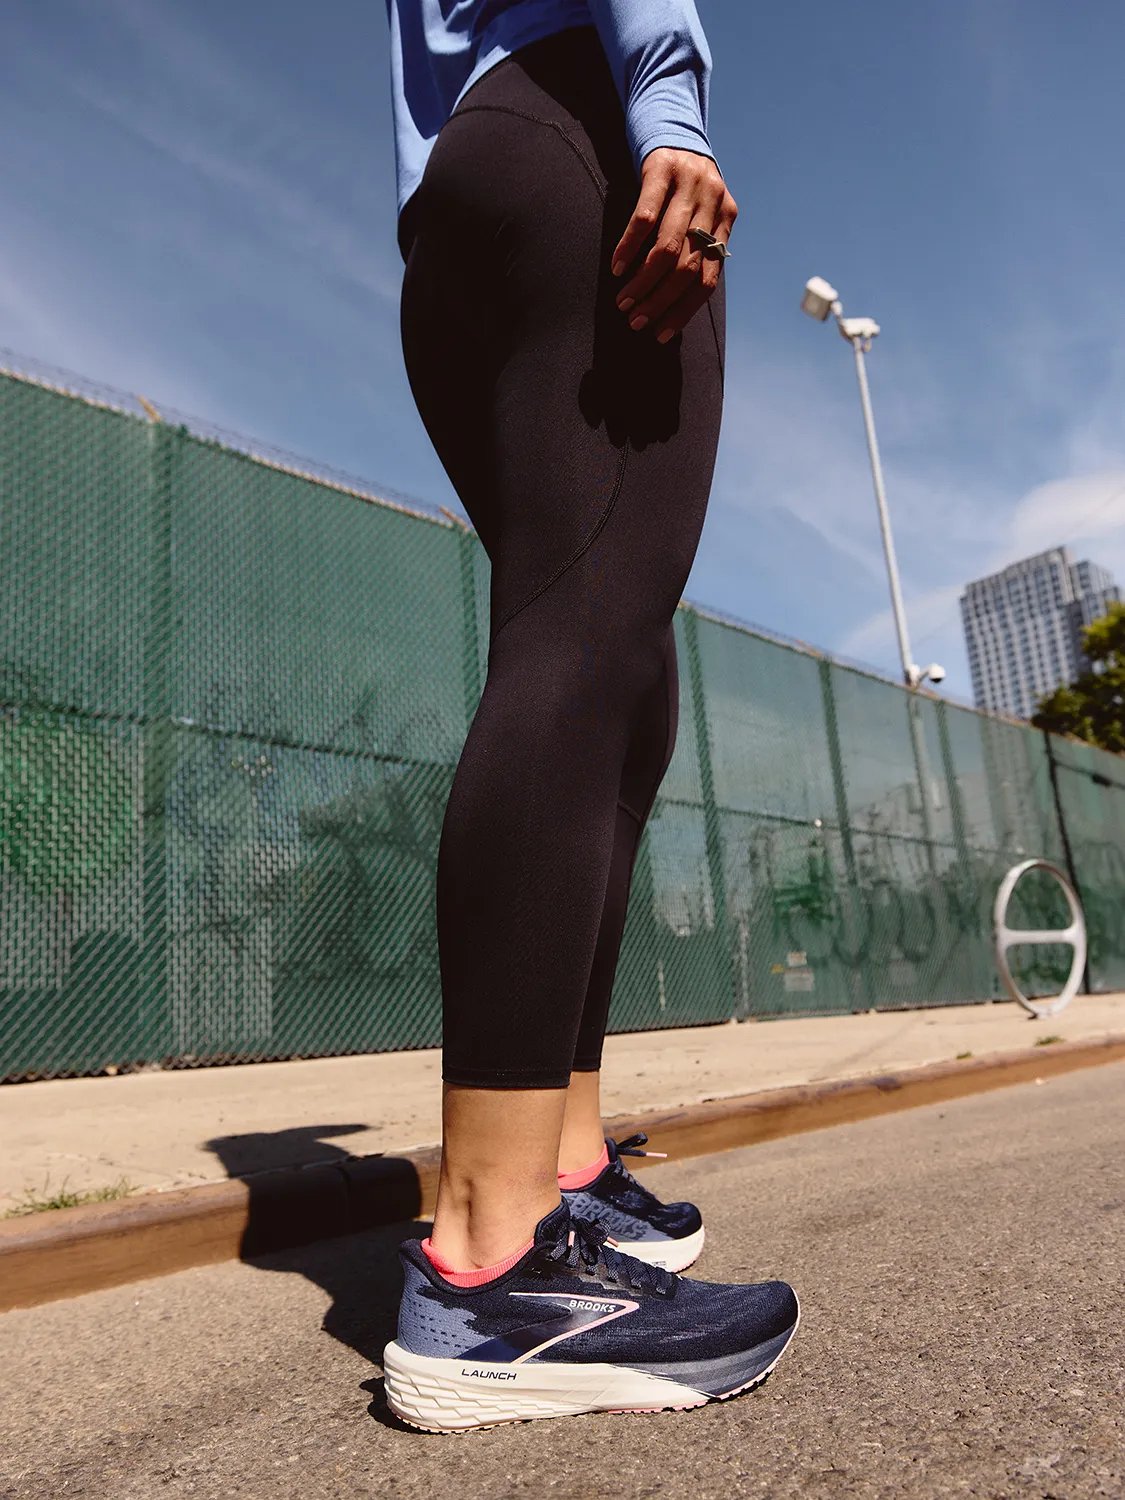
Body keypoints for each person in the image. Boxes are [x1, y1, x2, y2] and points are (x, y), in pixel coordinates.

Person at [380, 0, 798, 1431]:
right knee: (580, 640)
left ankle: (556, 1167)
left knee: (621, 672)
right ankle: (493, 1266)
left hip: (456, 199)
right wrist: (668, 108)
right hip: (576, 130)